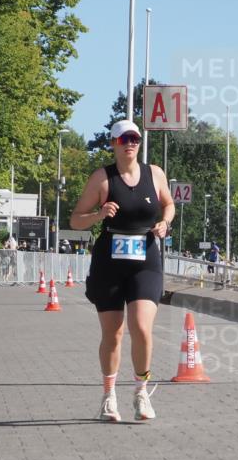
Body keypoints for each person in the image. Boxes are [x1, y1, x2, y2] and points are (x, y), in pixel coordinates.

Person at [70, 119, 175, 423]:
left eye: (135, 139)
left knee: (141, 327)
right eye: (123, 139)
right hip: (109, 262)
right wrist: (99, 214)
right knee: (113, 333)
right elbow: (76, 220)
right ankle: (109, 396)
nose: (130, 143)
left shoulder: (154, 173)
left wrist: (165, 222)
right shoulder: (102, 179)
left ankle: (141, 392)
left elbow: (168, 204)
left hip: (146, 258)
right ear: (113, 144)